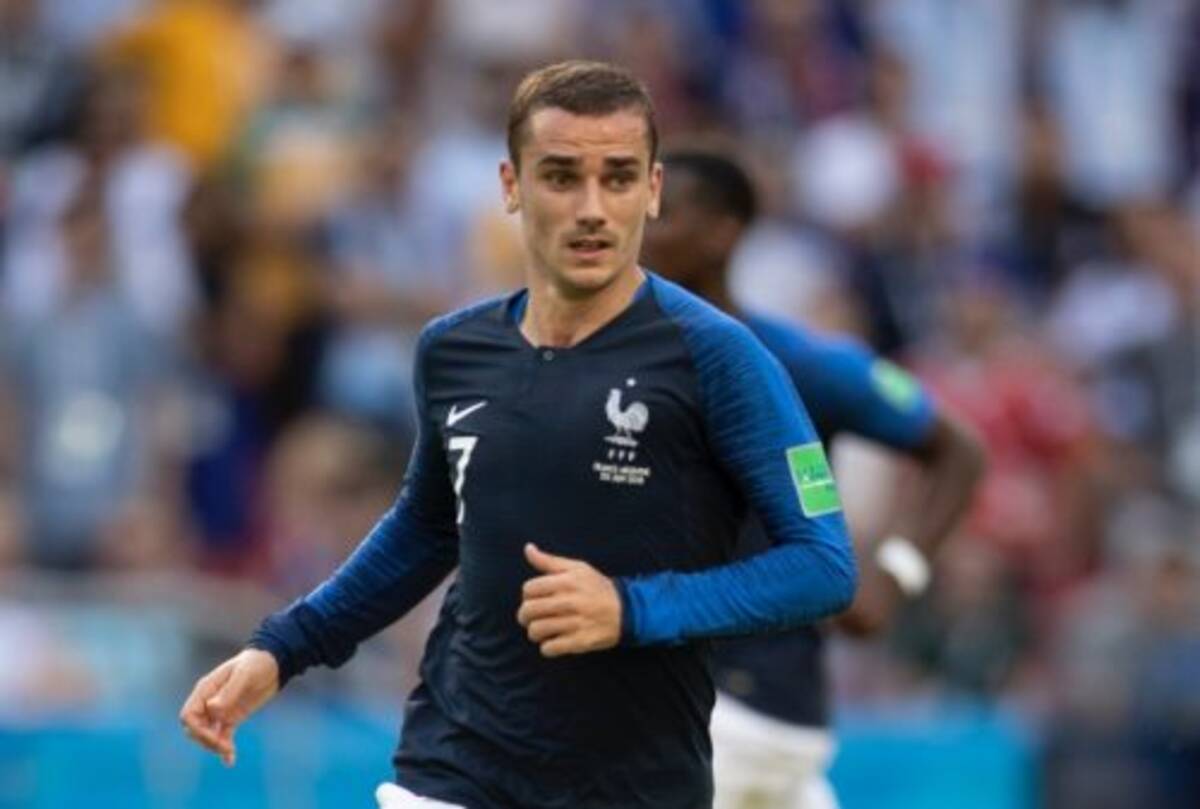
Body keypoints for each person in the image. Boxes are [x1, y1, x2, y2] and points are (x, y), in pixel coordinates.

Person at [179, 61, 856, 809]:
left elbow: (822, 565)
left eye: (618, 178)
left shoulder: (720, 356)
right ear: (511, 185)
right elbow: (426, 529)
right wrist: (282, 647)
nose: (592, 208)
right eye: (561, 177)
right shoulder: (454, 349)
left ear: (653, 189)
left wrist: (632, 608)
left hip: (636, 784)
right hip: (455, 766)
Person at [642, 148, 986, 809]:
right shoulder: (617, 360)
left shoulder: (795, 360)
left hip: (726, 718)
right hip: (754, 727)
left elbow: (959, 451)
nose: (640, 231)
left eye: (664, 215)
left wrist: (896, 575)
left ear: (723, 232)